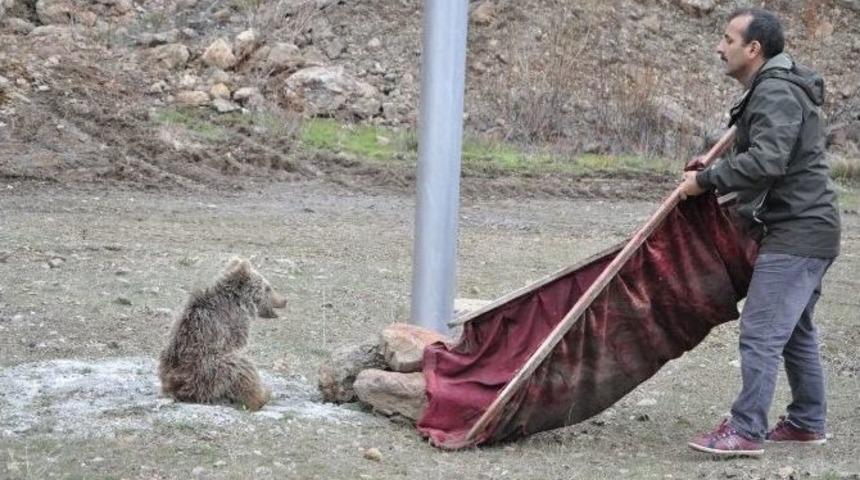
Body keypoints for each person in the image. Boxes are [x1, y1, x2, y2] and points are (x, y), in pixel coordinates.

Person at [679, 8, 841, 457]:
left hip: (798, 231)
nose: (719, 47)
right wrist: (713, 174)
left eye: (728, 40)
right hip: (810, 226)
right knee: (795, 331)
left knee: (762, 331)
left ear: (755, 49)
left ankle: (747, 430)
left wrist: (706, 181)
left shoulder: (775, 91)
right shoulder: (772, 88)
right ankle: (808, 422)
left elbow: (768, 162)